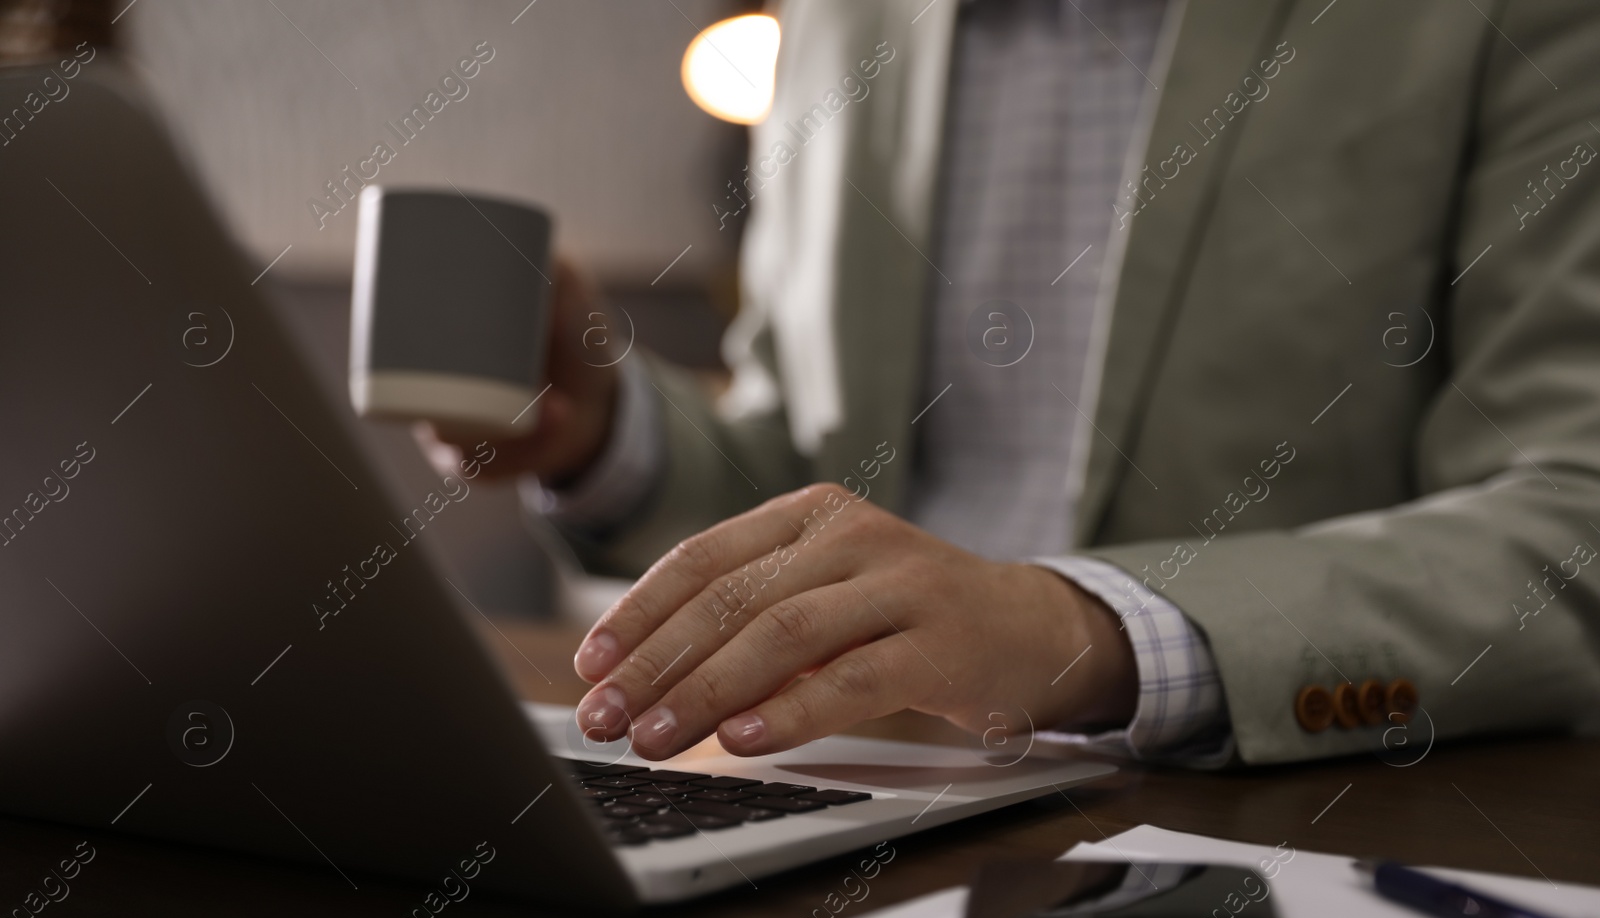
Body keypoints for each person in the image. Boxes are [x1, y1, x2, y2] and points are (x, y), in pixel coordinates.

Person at [425, 0, 1600, 768]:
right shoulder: (833, 22)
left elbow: (1569, 519)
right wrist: (605, 432)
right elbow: (800, 463)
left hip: (1281, 813)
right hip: (856, 778)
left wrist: (1076, 628)